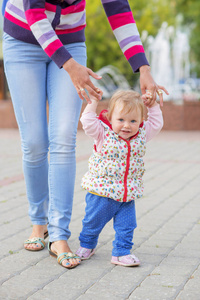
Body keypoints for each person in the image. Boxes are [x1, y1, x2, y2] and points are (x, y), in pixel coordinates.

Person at [2, 0, 167, 269]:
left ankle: (58, 235)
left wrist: (144, 69)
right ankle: (39, 224)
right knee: (33, 143)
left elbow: (119, 11)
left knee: (64, 138)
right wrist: (69, 66)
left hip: (70, 42)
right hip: (23, 40)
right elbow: (33, 13)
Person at [76, 89, 165, 266]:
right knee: (92, 222)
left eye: (133, 121)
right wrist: (93, 101)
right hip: (101, 193)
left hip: (127, 194)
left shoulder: (141, 135)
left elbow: (156, 123)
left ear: (140, 121)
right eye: (121, 120)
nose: (127, 125)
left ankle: (121, 252)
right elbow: (86, 121)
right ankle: (87, 244)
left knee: (127, 226)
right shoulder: (102, 133)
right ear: (109, 118)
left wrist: (153, 105)